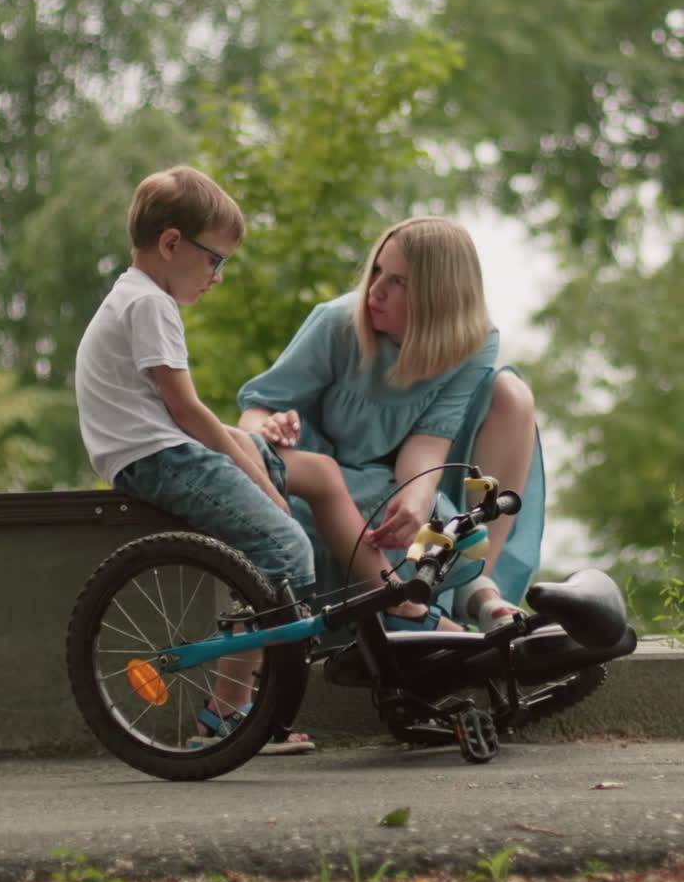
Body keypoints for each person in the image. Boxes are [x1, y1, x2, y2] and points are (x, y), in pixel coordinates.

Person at [74, 169, 452, 754]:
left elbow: (171, 412)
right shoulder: (150, 305)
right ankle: (229, 712)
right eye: (214, 260)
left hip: (156, 447)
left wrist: (253, 447)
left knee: (318, 473)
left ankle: (394, 595)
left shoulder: (135, 295)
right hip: (158, 458)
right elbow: (187, 411)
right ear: (171, 243)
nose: (217, 276)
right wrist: (262, 482)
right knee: (284, 547)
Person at [238, 215, 545, 632]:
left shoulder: (474, 341)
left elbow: (430, 438)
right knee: (423, 521)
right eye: (377, 270)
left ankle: (475, 589)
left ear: (437, 295)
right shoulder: (338, 323)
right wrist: (269, 427)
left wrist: (416, 496)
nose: (375, 290)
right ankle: (427, 618)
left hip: (395, 474)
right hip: (325, 473)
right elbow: (255, 412)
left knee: (445, 506)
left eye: (398, 281)